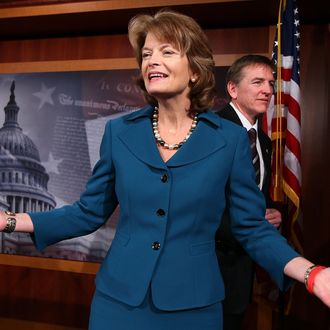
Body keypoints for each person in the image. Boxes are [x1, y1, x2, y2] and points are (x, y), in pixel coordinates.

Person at [0, 9, 329, 330]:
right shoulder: (119, 133)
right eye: (146, 54)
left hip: (193, 306)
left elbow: (252, 228)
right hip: (118, 302)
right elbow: (88, 212)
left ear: (195, 71)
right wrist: (10, 220)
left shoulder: (229, 139)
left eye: (166, 51)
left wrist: (311, 274)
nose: (151, 61)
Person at [215, 54, 282, 330]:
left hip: (242, 271)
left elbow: (250, 193)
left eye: (270, 82)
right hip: (210, 267)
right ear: (233, 89)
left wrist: (270, 212)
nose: (267, 90)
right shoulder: (211, 132)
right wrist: (248, 225)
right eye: (257, 82)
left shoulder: (263, 141)